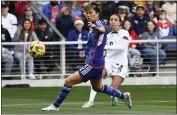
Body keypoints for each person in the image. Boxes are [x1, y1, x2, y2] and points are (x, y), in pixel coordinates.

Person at [42, 3, 132, 111]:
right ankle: (124, 96)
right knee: (98, 88)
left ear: (98, 13)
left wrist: (96, 28)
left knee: (68, 81)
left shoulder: (99, 24)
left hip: (93, 64)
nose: (88, 15)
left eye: (91, 13)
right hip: (98, 63)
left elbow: (103, 29)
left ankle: (55, 106)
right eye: (87, 13)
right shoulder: (92, 23)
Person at [82, 14, 131, 108]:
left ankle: (116, 96)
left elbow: (122, 47)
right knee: (96, 76)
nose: (113, 21)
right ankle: (90, 101)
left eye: (116, 20)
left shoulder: (124, 33)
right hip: (108, 61)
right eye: (111, 19)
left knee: (112, 90)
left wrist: (106, 47)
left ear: (119, 23)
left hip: (121, 64)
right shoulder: (107, 35)